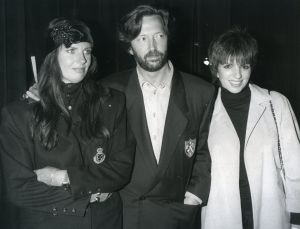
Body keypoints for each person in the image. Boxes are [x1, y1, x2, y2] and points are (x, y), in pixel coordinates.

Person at [0, 18, 134, 229]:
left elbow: (121, 170)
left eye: (87, 51)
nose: (82, 60)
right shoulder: (18, 115)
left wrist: (62, 177)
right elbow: (19, 190)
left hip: (105, 220)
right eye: (71, 50)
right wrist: (86, 197)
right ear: (51, 57)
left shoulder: (112, 102)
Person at [101, 5, 215, 229]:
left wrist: (193, 198)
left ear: (168, 37)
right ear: (130, 47)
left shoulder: (201, 91)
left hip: (175, 215)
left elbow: (205, 152)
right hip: (123, 215)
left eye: (158, 36)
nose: (152, 46)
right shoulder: (107, 91)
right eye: (142, 38)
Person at [201, 27, 300, 229]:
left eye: (244, 66)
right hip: (221, 214)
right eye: (228, 66)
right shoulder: (204, 107)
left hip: (270, 212)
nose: (238, 75)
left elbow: (295, 165)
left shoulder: (275, 103)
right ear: (215, 68)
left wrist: (297, 216)